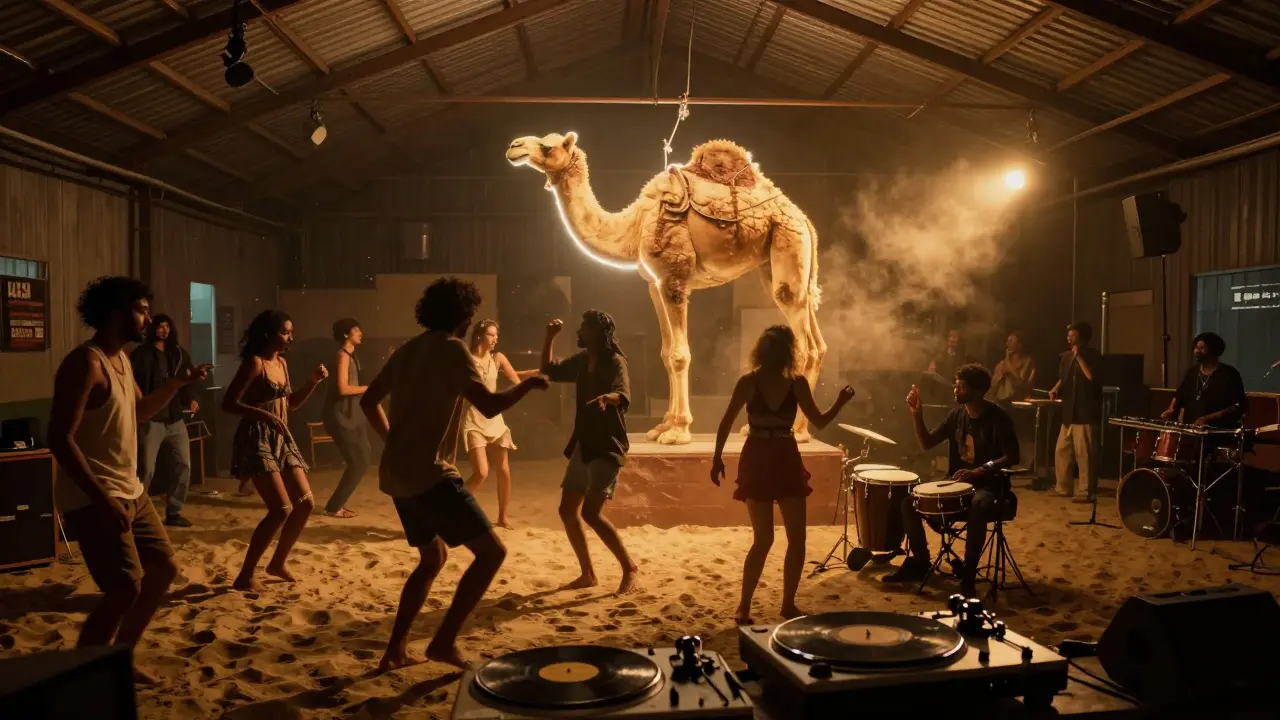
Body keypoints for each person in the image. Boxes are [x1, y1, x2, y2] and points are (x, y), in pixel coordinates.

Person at [360, 278, 548, 671]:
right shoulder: (452, 349)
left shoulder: (409, 350)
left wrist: (393, 440)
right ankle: (443, 643)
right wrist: (529, 386)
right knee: (492, 553)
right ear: (464, 315)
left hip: (396, 474)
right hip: (430, 474)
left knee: (432, 558)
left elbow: (369, 400)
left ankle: (395, 650)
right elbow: (490, 406)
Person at [47, 276, 209, 684]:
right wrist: (101, 499)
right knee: (124, 590)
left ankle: (121, 656)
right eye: (141, 309)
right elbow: (59, 438)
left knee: (164, 570)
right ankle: (79, 676)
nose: (149, 318)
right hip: (94, 496)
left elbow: (138, 412)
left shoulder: (120, 360)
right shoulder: (86, 363)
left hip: (130, 490)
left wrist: (177, 383)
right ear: (118, 313)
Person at [710, 325, 855, 623]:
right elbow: (821, 422)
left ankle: (753, 607)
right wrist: (839, 402)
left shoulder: (763, 382)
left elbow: (725, 423)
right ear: (790, 350)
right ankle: (764, 605)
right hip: (773, 455)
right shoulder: (784, 382)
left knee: (768, 539)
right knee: (784, 539)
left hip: (768, 455)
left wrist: (717, 459)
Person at [886, 365, 1019, 598]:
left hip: (990, 486)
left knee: (978, 505)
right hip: (956, 485)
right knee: (909, 503)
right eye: (955, 384)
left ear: (978, 391)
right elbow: (927, 443)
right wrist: (917, 414)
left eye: (961, 386)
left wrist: (981, 470)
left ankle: (968, 574)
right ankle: (921, 562)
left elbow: (1013, 456)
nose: (955, 389)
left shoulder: (998, 418)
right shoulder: (956, 415)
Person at [222, 310, 328, 591]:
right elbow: (228, 403)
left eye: (291, 332)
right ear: (268, 334)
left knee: (305, 504)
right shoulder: (255, 364)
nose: (290, 337)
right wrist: (263, 415)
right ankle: (245, 575)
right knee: (281, 509)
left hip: (282, 436)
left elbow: (290, 404)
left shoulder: (281, 363)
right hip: (256, 437)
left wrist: (313, 382)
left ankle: (277, 562)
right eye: (285, 332)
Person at [541, 311, 640, 595]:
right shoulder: (584, 360)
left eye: (584, 327)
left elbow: (623, 394)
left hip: (607, 445)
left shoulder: (615, 361)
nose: (579, 332)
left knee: (591, 513)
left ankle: (629, 567)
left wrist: (609, 398)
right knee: (567, 510)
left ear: (598, 332)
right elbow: (550, 370)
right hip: (584, 444)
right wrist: (549, 338)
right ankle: (588, 574)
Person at [462, 320, 539, 528]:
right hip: (473, 418)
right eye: (491, 334)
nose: (495, 339)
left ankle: (503, 518)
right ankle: (454, 509)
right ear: (479, 335)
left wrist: (534, 374)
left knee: (504, 470)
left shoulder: (498, 358)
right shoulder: (466, 358)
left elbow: (515, 379)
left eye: (496, 335)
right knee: (481, 473)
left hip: (494, 418)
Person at [130, 313, 198, 528]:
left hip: (175, 419)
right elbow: (133, 382)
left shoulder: (178, 353)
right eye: (160, 326)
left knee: (184, 464)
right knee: (146, 469)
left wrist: (193, 399)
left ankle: (174, 511)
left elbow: (188, 380)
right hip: (152, 420)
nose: (164, 330)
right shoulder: (141, 354)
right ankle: (137, 514)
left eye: (168, 326)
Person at [321, 318, 370, 519]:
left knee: (364, 458)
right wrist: (370, 389)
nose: (360, 333)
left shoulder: (351, 356)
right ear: (345, 334)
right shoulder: (342, 356)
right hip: (340, 416)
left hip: (353, 416)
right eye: (356, 330)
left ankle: (336, 504)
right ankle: (334, 506)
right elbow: (343, 388)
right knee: (358, 462)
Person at [1048, 322, 1102, 503]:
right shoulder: (1065, 357)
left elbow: (1092, 378)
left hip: (1086, 411)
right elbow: (1063, 378)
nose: (1068, 338)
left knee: (1085, 454)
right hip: (1068, 411)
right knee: (1062, 450)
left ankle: (1086, 492)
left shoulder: (1093, 355)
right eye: (1068, 335)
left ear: (1082, 337)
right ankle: (1063, 487)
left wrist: (1079, 358)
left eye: (1072, 335)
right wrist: (1055, 389)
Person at [1161, 332, 1247, 428]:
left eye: (1202, 348)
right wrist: (1171, 409)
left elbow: (1237, 406)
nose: (1197, 351)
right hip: (1191, 431)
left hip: (1217, 432)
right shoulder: (1192, 372)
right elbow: (1179, 395)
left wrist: (1208, 418)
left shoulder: (1229, 374)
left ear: (1214, 350)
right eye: (1196, 348)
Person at [990, 332, 1036, 403]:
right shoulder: (1001, 364)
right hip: (1002, 403)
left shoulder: (1028, 362)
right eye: (1007, 341)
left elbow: (1021, 384)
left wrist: (1008, 362)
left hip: (1019, 403)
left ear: (1020, 344)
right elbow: (993, 388)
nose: (1008, 344)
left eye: (1011, 341)